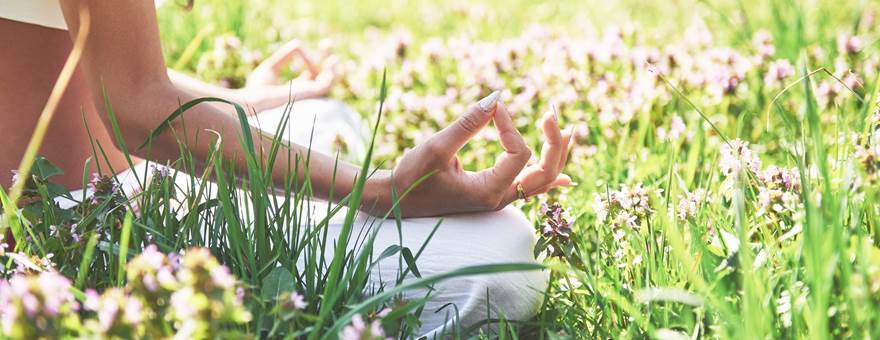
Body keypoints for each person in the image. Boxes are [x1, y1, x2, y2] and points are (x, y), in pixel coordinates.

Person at [0, 0, 575, 335]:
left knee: (321, 111)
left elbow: (108, 74)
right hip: (80, 219)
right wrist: (382, 191)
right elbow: (136, 110)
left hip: (124, 173)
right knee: (498, 259)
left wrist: (249, 99)